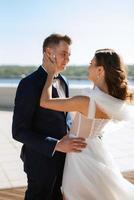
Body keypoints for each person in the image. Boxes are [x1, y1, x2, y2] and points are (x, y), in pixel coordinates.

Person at [40, 48, 134, 199]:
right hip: (96, 152)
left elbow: (45, 102)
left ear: (100, 70)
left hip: (80, 156)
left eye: (91, 63)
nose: (88, 67)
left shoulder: (86, 102)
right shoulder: (112, 101)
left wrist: (50, 73)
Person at [12, 34, 86, 200]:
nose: (67, 59)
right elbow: (18, 131)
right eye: (63, 54)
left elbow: (63, 118)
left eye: (69, 55)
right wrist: (56, 145)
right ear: (48, 53)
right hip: (40, 163)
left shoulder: (64, 81)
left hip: (64, 162)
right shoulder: (29, 84)